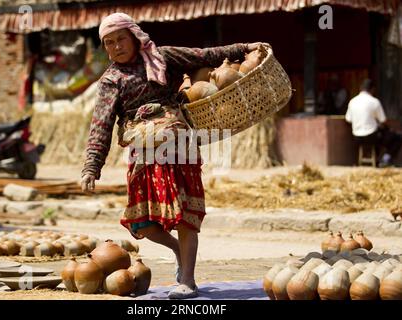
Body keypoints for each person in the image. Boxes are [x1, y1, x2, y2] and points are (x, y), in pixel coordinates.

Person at [80, 12, 265, 299]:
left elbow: (205, 55)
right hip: (143, 154)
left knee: (184, 216)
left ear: (134, 36)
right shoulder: (110, 80)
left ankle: (188, 281)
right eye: (109, 42)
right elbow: (101, 124)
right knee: (143, 224)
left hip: (178, 145)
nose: (116, 46)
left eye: (120, 39)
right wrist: (91, 166)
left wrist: (243, 48)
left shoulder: (163, 56)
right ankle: (180, 251)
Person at [345, 79, 402, 167]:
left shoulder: (352, 101)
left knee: (379, 133)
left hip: (356, 137)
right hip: (372, 137)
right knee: (397, 137)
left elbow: (348, 119)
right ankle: (385, 160)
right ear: (372, 89)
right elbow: (383, 121)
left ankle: (378, 159)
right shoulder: (374, 102)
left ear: (360, 89)